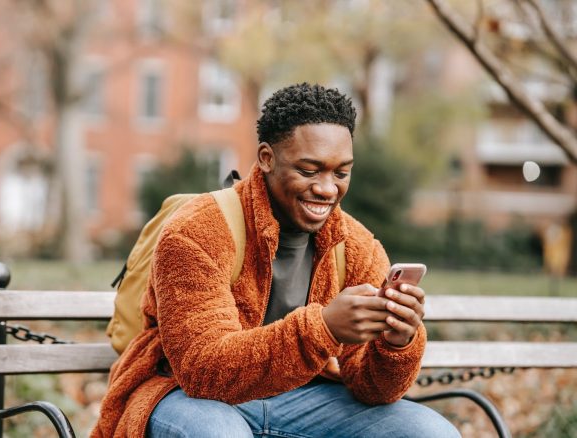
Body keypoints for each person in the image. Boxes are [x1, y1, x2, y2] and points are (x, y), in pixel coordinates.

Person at [92, 83, 460, 437]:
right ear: (267, 158)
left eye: (341, 172)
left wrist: (397, 342)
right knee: (220, 433)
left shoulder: (356, 245)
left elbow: (373, 390)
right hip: (181, 395)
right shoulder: (197, 229)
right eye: (308, 170)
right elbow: (202, 372)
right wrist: (325, 328)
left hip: (301, 399)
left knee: (431, 431)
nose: (327, 188)